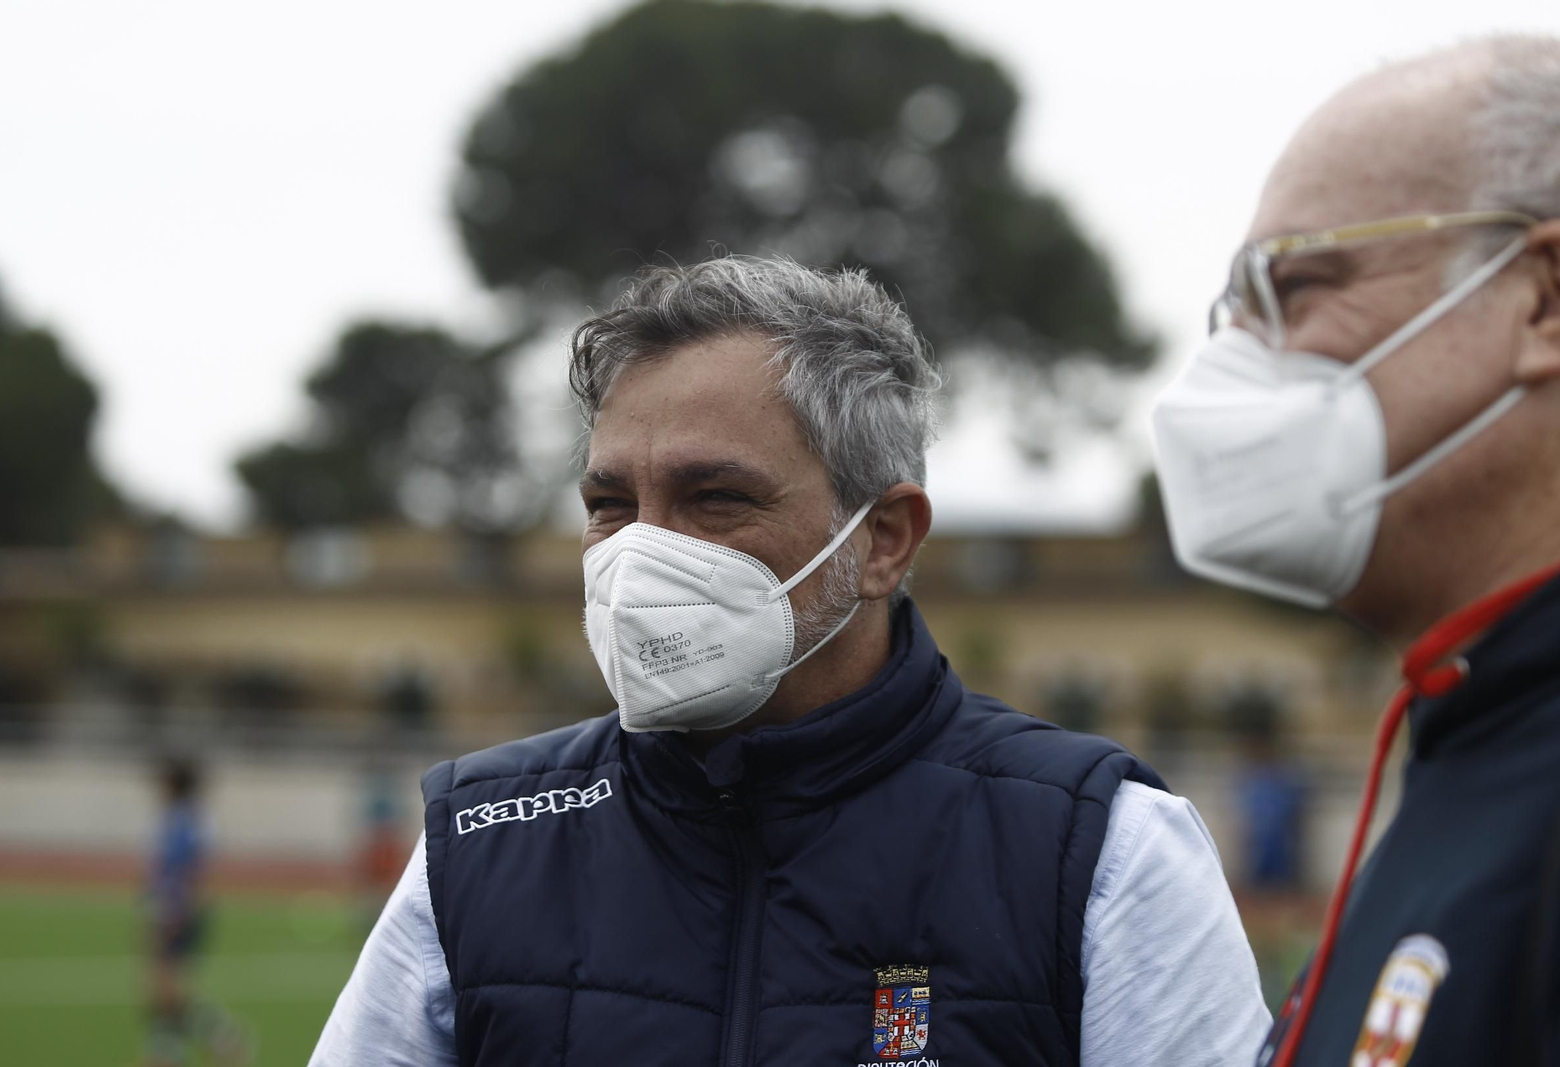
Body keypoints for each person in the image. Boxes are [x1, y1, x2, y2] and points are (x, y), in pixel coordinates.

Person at [312, 256, 1268, 1066]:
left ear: (884, 539)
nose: (643, 551)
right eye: (609, 504)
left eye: (715, 496)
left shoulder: (1102, 851)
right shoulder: (478, 843)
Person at [1150, 34, 1560, 1066]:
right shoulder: (1471, 730)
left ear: (1544, 299)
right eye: (1233, 311)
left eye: (1301, 286)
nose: (1231, 365)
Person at [144, 758, 248, 1067]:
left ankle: (221, 1035)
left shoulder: (183, 821)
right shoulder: (186, 818)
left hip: (177, 913)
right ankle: (167, 1052)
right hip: (176, 910)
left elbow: (187, 872)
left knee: (167, 988)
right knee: (165, 990)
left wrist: (174, 915)